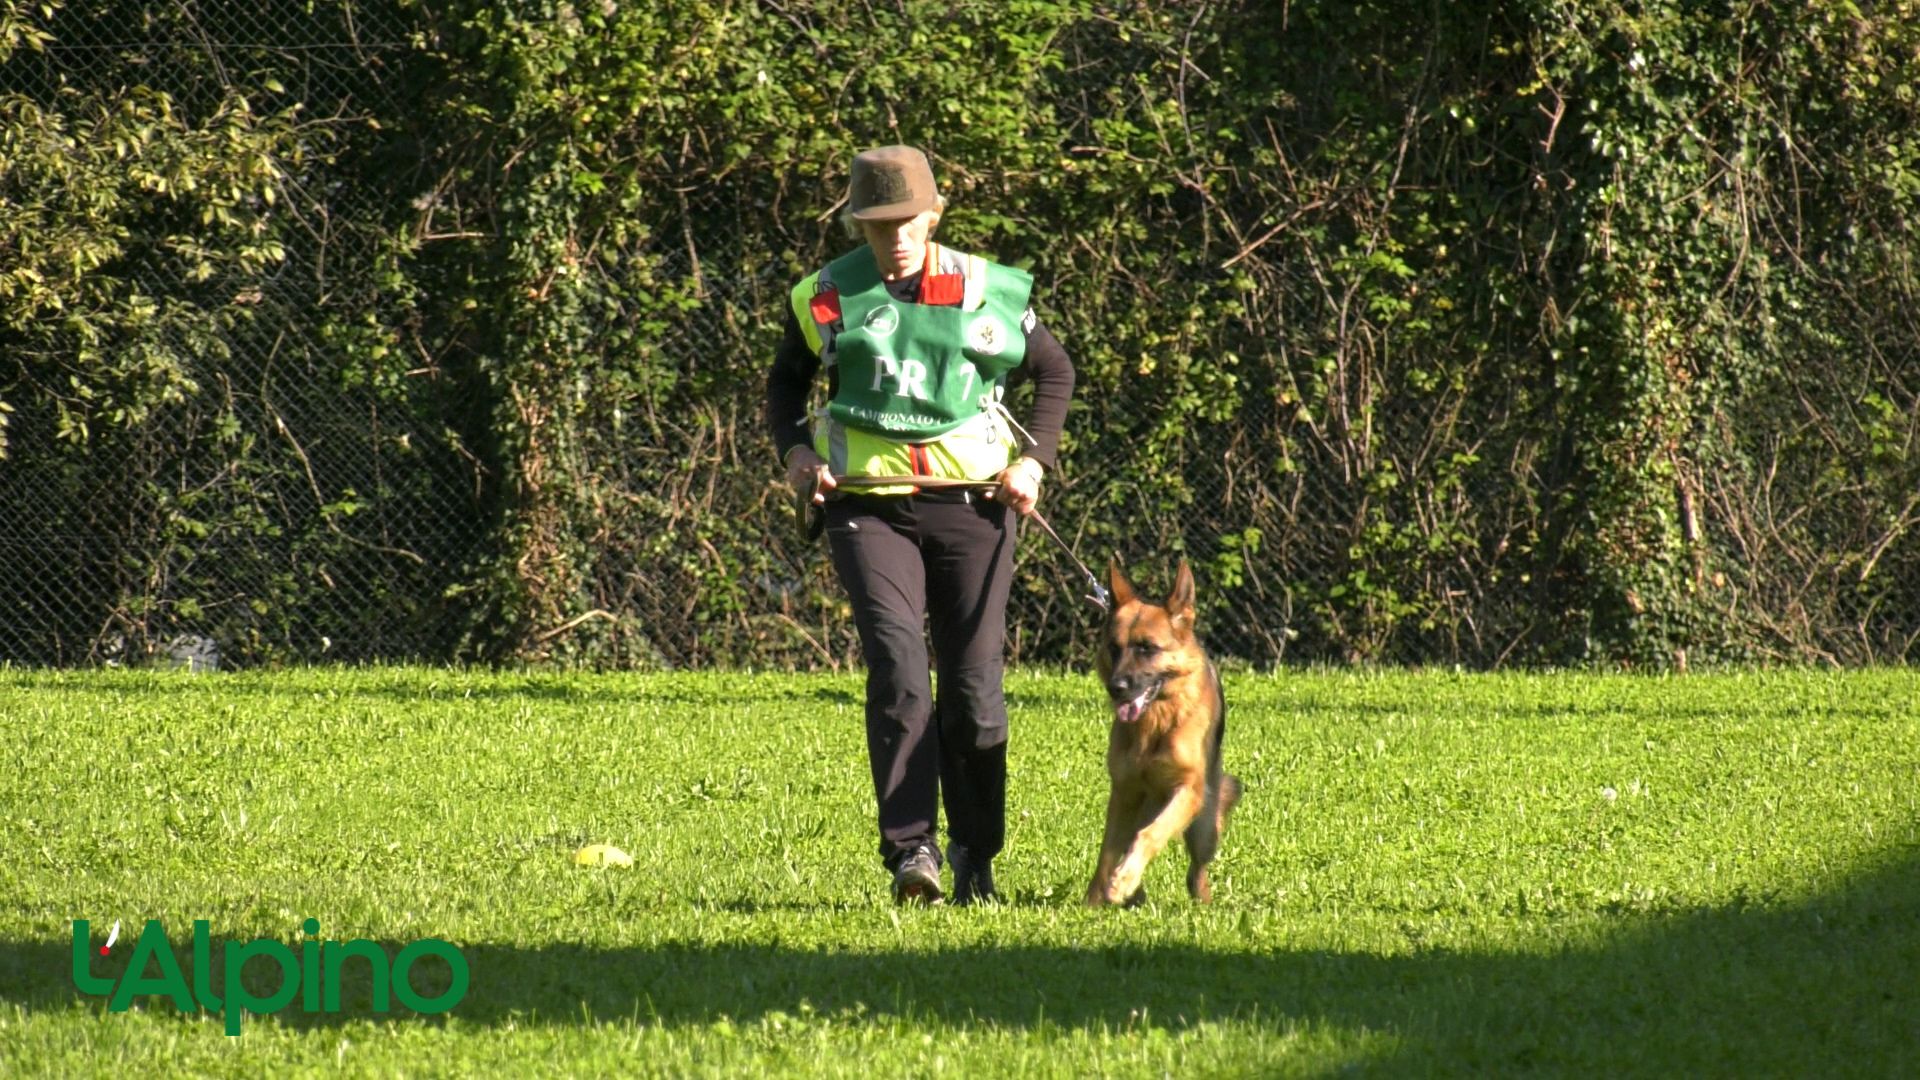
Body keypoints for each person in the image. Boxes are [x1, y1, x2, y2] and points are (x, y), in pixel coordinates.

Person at [765, 145, 1076, 905]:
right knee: (901, 669)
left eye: (908, 220)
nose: (895, 236)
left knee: (973, 690)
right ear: (855, 223)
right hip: (867, 508)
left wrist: (1032, 462)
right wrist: (799, 456)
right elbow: (783, 386)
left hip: (976, 506)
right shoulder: (827, 295)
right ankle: (913, 854)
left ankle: (976, 855)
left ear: (935, 215)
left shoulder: (985, 289)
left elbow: (1055, 372)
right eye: (878, 224)